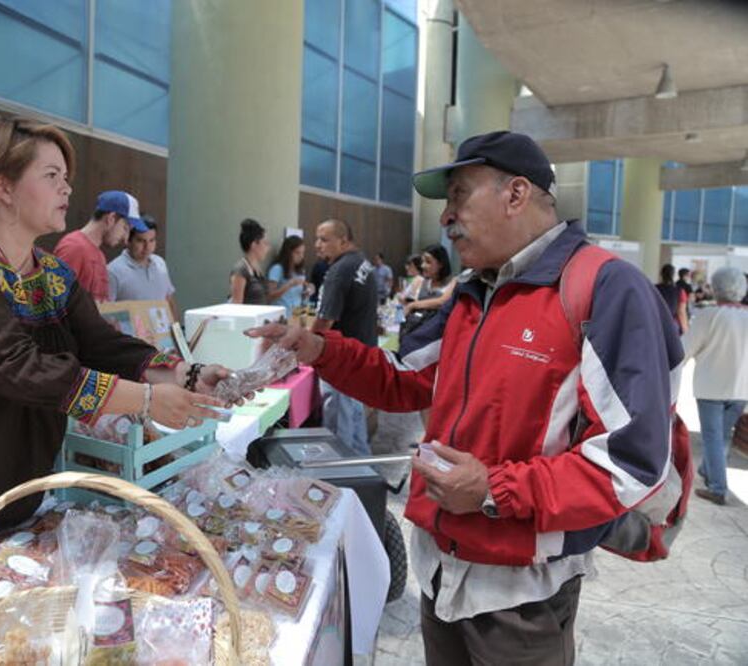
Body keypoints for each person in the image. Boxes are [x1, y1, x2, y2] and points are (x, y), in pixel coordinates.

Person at [249, 131, 683, 666]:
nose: (446, 217)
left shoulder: (605, 290)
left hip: (520, 594)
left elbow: (631, 464)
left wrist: (492, 490)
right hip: (439, 571)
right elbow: (404, 379)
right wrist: (319, 349)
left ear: (516, 194)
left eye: (459, 195)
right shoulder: (475, 292)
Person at [0, 116, 230, 581]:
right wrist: (146, 400)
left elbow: (101, 343)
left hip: (17, 496)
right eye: (52, 175)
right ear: (3, 185)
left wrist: (184, 375)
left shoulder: (51, 273)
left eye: (66, 177)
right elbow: (17, 366)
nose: (67, 189)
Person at [312, 218, 378, 456]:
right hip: (361, 355)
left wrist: (304, 345)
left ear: (343, 241)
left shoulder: (340, 271)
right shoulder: (361, 262)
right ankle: (363, 471)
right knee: (355, 424)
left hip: (342, 361)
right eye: (317, 239)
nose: (317, 245)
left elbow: (324, 321)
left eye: (324, 239)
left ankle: (341, 477)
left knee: (339, 432)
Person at [682, 267, 748, 505]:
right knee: (722, 436)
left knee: (713, 438)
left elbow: (684, 350)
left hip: (711, 387)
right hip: (741, 389)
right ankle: (707, 470)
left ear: (716, 288)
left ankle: (718, 488)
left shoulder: (709, 315)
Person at [54, 190, 147, 302]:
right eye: (125, 228)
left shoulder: (99, 256)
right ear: (111, 218)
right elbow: (56, 302)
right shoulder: (74, 248)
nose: (126, 239)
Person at [107, 216, 180, 322]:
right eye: (141, 241)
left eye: (152, 240)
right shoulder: (113, 271)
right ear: (128, 240)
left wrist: (176, 328)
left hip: (163, 331)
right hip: (133, 331)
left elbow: (169, 299)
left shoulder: (160, 263)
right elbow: (107, 312)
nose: (147, 247)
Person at [401, 244, 455, 336]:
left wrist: (413, 305)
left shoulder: (453, 282)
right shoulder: (420, 281)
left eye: (428, 262)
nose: (423, 266)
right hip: (417, 331)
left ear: (441, 264)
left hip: (438, 335)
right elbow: (406, 300)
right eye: (422, 261)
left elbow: (442, 302)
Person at [229, 218, 271, 304]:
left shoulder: (257, 269)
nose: (268, 248)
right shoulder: (240, 270)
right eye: (265, 243)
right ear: (254, 244)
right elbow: (236, 304)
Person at [267, 235, 309, 318]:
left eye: (302, 253)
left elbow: (300, 297)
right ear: (288, 253)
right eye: (297, 252)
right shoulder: (277, 269)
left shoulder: (300, 271)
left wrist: (306, 292)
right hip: (280, 316)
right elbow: (269, 296)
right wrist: (289, 285)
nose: (301, 256)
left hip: (296, 315)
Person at [655, 263, 689, 334]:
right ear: (674, 275)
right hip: (671, 324)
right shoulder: (679, 290)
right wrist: (685, 328)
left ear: (661, 274)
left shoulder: (654, 288)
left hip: (655, 322)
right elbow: (681, 311)